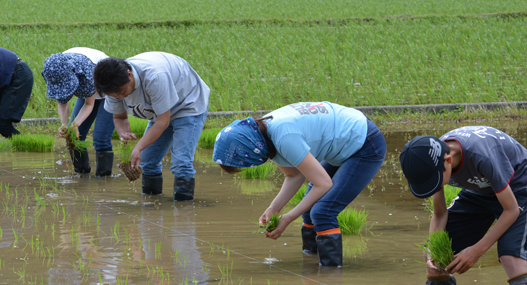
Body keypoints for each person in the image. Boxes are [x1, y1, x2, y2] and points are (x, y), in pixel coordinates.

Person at [212, 101, 387, 266]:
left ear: (253, 151)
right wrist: (274, 208)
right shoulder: (262, 134)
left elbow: (323, 184)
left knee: (323, 212)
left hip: (365, 143)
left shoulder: (283, 137)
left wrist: (288, 218)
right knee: (310, 210)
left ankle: (330, 275)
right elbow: (294, 176)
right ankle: (311, 264)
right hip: (344, 139)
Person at [399, 126, 527, 285]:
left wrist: (477, 251)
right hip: (479, 189)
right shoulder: (433, 158)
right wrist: (432, 246)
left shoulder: (482, 155)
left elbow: (511, 210)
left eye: (435, 182)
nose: (435, 186)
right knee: (437, 259)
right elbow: (439, 214)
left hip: (519, 188)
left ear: (448, 161)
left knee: (510, 258)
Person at [93, 52, 210, 201]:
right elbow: (119, 117)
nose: (121, 97)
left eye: (122, 91)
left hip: (187, 104)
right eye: (116, 95)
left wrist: (138, 147)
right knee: (147, 162)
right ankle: (152, 206)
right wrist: (123, 133)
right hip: (161, 111)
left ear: (129, 75)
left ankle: (184, 214)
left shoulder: (154, 77)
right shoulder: (113, 86)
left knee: (181, 162)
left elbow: (163, 121)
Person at [42, 47, 115, 177]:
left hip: (108, 87)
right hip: (86, 88)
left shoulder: (87, 71)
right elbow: (62, 102)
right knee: (73, 135)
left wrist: (75, 125)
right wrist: (65, 125)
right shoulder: (54, 70)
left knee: (101, 138)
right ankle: (82, 175)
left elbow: (89, 104)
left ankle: (104, 180)